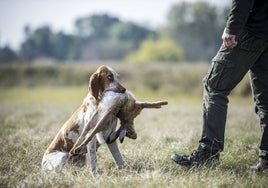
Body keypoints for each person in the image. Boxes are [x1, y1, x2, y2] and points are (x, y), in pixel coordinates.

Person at [171, 0, 268, 171]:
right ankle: (266, 160)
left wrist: (232, 28)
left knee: (214, 86)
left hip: (251, 30)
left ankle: (208, 155)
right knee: (266, 100)